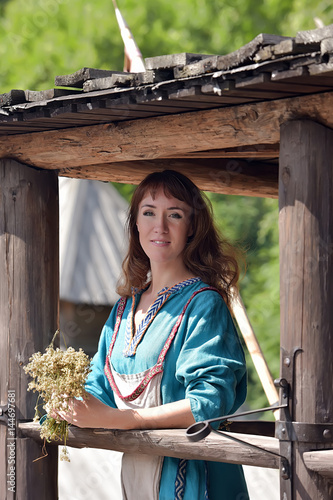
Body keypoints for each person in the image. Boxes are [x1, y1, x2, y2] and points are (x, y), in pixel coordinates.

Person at [59, 170, 249, 500]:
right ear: (135, 223)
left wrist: (122, 419)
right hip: (137, 475)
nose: (159, 227)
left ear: (192, 227)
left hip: (196, 478)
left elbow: (208, 404)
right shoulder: (122, 310)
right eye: (149, 212)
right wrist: (67, 401)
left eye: (174, 214)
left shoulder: (203, 304)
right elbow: (98, 387)